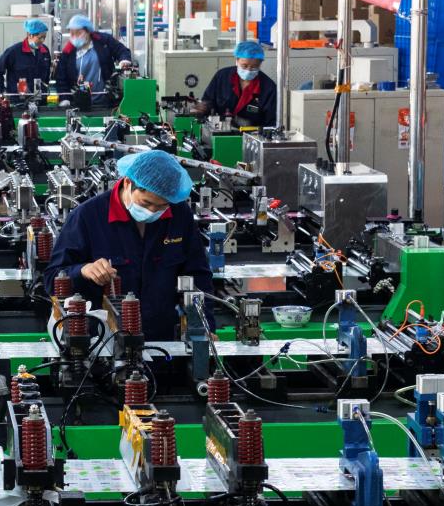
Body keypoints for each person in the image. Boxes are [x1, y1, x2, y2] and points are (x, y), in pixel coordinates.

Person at [43, 149, 212, 341]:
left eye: (161, 206)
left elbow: (198, 277)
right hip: (102, 342)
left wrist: (203, 327)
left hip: (163, 339)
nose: (153, 211)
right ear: (128, 183)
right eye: (146, 203)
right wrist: (83, 271)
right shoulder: (87, 217)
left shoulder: (179, 214)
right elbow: (51, 279)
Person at [194, 40, 279, 128]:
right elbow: (208, 101)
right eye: (244, 66)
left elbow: (270, 122)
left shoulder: (268, 88)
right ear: (237, 61)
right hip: (219, 130)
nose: (249, 70)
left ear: (260, 64)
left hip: (252, 134)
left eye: (254, 67)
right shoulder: (222, 76)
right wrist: (203, 108)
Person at [55, 15, 135, 98]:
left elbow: (121, 50)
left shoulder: (103, 40)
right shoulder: (68, 51)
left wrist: (124, 60)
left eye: (78, 32)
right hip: (78, 101)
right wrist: (65, 99)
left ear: (88, 31)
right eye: (72, 33)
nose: (75, 36)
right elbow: (61, 78)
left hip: (104, 98)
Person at [0, 18, 52, 95]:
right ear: (30, 35)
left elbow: (47, 76)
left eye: (44, 37)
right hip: (18, 98)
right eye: (40, 38)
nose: (42, 40)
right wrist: (2, 91)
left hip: (40, 97)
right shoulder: (14, 51)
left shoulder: (45, 51)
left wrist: (44, 90)